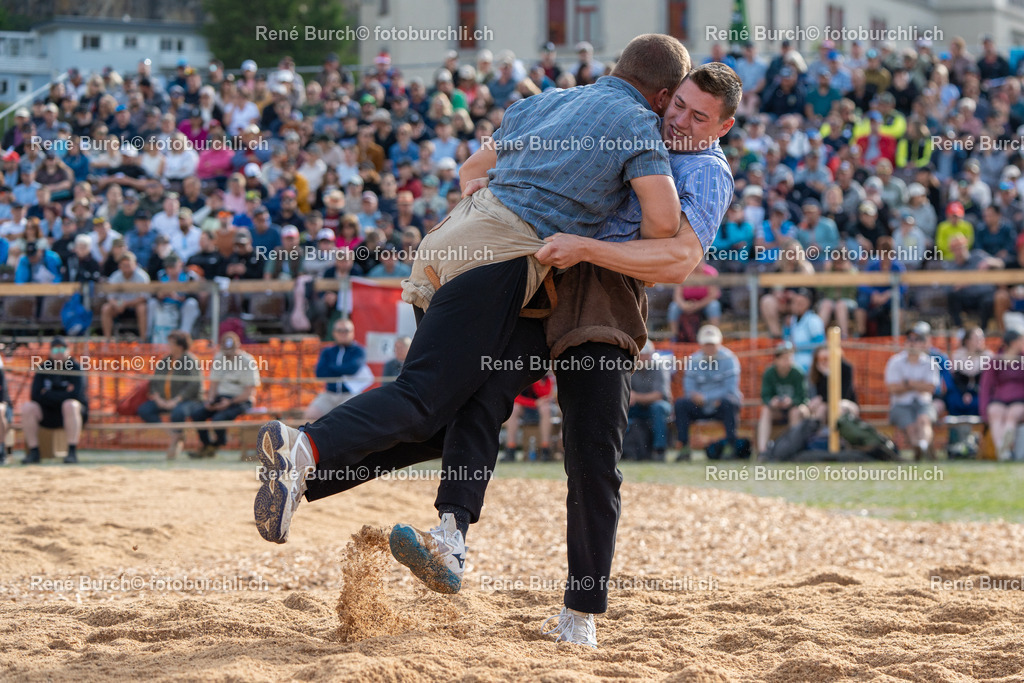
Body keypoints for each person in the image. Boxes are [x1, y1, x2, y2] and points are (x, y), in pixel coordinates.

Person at [255, 56, 734, 649]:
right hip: (540, 270)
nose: (681, 119)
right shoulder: (622, 120)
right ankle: (446, 535)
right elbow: (478, 162)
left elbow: (677, 260)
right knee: (466, 401)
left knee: (590, 452)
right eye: (679, 105)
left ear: (722, 128)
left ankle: (579, 612)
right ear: (664, 96)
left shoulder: (705, 168)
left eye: (698, 115)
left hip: (598, 294)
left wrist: (584, 245)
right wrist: (487, 184)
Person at [673, 325, 742, 461]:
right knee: (681, 404)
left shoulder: (729, 359)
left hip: (720, 404)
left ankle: (731, 445)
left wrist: (706, 398)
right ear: (701, 345)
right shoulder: (694, 360)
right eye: (707, 344)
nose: (710, 348)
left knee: (730, 402)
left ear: (719, 343)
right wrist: (699, 398)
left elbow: (730, 389)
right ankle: (684, 446)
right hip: (700, 405)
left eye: (712, 344)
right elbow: (688, 388)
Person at [190, 332, 260, 458]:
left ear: (238, 347)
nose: (228, 354)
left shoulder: (247, 361)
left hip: (240, 400)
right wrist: (210, 400)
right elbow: (214, 384)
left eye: (231, 350)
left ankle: (218, 444)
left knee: (218, 419)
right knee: (197, 414)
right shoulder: (219, 357)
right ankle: (207, 445)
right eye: (226, 350)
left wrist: (229, 402)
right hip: (221, 397)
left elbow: (248, 392)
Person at [20, 338, 88, 464]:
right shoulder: (44, 367)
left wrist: (48, 395)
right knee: (28, 407)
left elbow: (78, 395)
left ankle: (71, 452)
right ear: (50, 351)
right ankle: (34, 452)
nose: (59, 352)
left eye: (62, 348)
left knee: (70, 405)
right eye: (56, 349)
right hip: (48, 414)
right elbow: (34, 395)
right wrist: (65, 394)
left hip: (71, 414)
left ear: (68, 350)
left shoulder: (76, 368)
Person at [137, 331, 203, 459]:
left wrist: (177, 400)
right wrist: (157, 398)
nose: (168, 346)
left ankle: (176, 442)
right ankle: (173, 434)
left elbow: (193, 385)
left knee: (178, 412)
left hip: (188, 400)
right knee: (144, 410)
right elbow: (154, 381)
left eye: (170, 344)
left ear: (180, 346)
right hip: (164, 400)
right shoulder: (165, 360)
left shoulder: (190, 360)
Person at [885, 323, 941, 460]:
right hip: (901, 405)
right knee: (911, 427)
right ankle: (920, 450)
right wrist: (918, 385)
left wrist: (907, 383)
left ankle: (921, 446)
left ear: (923, 344)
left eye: (916, 340)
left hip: (923, 403)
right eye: (909, 339)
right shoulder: (895, 362)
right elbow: (892, 388)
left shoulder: (930, 362)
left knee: (924, 420)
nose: (912, 343)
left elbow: (932, 388)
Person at [304, 319, 374, 422]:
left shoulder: (359, 351)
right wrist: (342, 369)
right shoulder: (328, 351)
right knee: (311, 415)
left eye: (346, 331)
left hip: (350, 394)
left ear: (353, 332)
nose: (343, 334)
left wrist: (331, 368)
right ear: (334, 333)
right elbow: (320, 373)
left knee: (344, 417)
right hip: (330, 393)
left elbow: (352, 369)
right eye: (339, 331)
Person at [757, 343, 810, 457]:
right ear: (776, 360)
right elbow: (765, 396)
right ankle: (763, 451)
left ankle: (792, 449)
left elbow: (803, 398)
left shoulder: (797, 373)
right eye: (784, 358)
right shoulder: (769, 373)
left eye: (790, 357)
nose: (788, 361)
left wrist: (791, 401)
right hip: (778, 410)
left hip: (795, 409)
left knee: (795, 412)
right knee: (766, 410)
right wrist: (773, 401)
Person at [978, 329, 1024, 460]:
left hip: (1019, 400)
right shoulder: (995, 360)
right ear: (1014, 343)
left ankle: (1006, 442)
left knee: (1012, 416)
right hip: (1000, 399)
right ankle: (1002, 450)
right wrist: (984, 410)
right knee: (995, 413)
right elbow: (986, 387)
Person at [625, 341, 672, 460]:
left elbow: (659, 395)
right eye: (640, 355)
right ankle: (623, 449)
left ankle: (659, 449)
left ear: (650, 355)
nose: (642, 358)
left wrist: (635, 397)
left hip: (656, 407)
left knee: (658, 408)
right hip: (637, 407)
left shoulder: (659, 368)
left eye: (644, 354)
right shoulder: (629, 368)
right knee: (620, 409)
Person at [502, 375, 555, 462]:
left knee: (546, 409)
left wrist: (536, 379)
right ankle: (510, 448)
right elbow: (516, 398)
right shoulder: (521, 376)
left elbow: (546, 396)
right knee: (514, 409)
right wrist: (534, 403)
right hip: (526, 407)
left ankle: (545, 448)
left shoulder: (547, 379)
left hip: (540, 408)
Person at [101, 252, 151, 340]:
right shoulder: (115, 276)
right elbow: (110, 298)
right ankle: (107, 340)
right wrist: (117, 304)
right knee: (106, 308)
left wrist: (125, 304)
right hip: (119, 306)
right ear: (119, 266)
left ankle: (143, 340)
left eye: (129, 264)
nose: (126, 267)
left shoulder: (142, 276)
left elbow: (144, 297)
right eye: (124, 265)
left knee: (142, 308)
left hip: (135, 305)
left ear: (135, 264)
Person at [806, 345, 859, 422]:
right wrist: (825, 375)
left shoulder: (846, 368)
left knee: (838, 408)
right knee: (820, 409)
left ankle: (839, 433)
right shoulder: (818, 372)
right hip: (827, 404)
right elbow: (820, 394)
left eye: (827, 358)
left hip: (846, 403)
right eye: (821, 359)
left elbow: (843, 395)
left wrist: (828, 375)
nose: (824, 362)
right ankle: (819, 433)